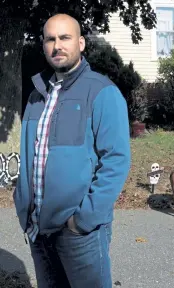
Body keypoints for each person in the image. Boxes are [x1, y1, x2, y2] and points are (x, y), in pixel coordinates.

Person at [13, 13, 131, 288]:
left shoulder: (102, 92)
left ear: (81, 43)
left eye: (65, 38)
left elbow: (116, 160)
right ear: (43, 44)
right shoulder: (36, 95)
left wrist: (83, 219)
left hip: (79, 233)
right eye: (50, 39)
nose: (57, 46)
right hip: (37, 229)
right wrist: (23, 205)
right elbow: (31, 156)